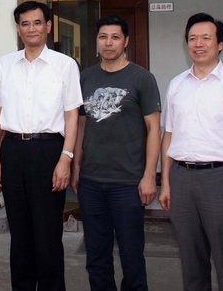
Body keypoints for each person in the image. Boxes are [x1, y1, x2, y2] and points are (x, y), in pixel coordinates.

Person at [158, 12, 223, 291]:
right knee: (191, 261)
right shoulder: (176, 85)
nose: (198, 44)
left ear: (220, 44)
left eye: (206, 38)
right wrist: (165, 182)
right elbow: (169, 136)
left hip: (222, 179)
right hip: (181, 178)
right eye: (192, 38)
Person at [0, 1, 83, 291]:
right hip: (12, 150)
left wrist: (66, 158)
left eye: (37, 22)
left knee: (48, 233)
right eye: (25, 24)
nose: (31, 29)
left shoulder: (64, 65)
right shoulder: (4, 65)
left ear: (48, 26)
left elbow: (72, 115)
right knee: (20, 233)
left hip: (49, 151)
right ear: (18, 29)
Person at [70, 15, 161, 291]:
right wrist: (76, 168)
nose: (108, 43)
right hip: (91, 182)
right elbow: (80, 126)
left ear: (126, 41)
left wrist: (149, 176)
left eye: (115, 37)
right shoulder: (85, 77)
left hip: (128, 183)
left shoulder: (142, 78)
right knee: (97, 257)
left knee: (132, 256)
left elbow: (154, 129)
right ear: (96, 41)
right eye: (103, 37)